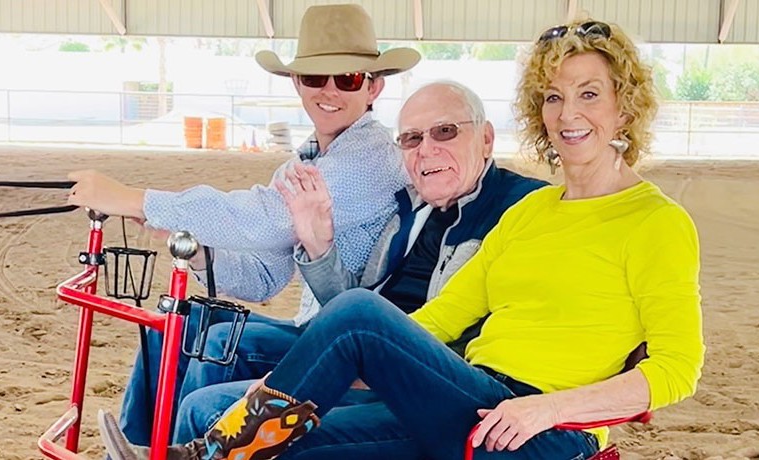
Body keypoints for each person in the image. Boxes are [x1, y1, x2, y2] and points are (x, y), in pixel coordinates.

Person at [100, 19, 704, 460]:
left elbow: (678, 371)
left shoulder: (655, 221)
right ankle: (197, 450)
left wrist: (549, 408)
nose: (568, 113)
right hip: (470, 397)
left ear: (625, 109)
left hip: (542, 431)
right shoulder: (535, 214)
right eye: (553, 96)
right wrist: (307, 378)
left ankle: (202, 455)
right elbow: (439, 319)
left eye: (589, 94)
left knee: (358, 312)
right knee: (264, 394)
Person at [68, 3, 420, 447]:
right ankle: (142, 448)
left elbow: (262, 219)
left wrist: (135, 199)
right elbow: (266, 278)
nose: (329, 91)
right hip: (314, 325)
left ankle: (187, 451)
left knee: (220, 341)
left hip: (348, 340)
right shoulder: (305, 162)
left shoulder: (368, 158)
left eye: (347, 78)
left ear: (373, 87)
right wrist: (199, 252)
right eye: (314, 78)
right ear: (297, 83)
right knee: (177, 320)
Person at [170, 81, 547, 455]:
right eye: (412, 139)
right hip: (360, 350)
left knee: (207, 406)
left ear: (486, 138)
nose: (426, 151)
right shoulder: (408, 207)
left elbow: (488, 344)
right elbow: (354, 307)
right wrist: (319, 246)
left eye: (445, 132)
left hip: (419, 379)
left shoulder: (523, 210)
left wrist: (289, 384)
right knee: (200, 332)